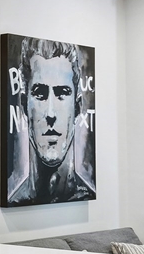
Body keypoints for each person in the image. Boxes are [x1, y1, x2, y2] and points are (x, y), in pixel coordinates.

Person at [7, 37, 94, 205]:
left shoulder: (89, 197)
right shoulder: (14, 201)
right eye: (40, 94)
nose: (51, 113)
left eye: (62, 93)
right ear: (25, 104)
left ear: (77, 106)